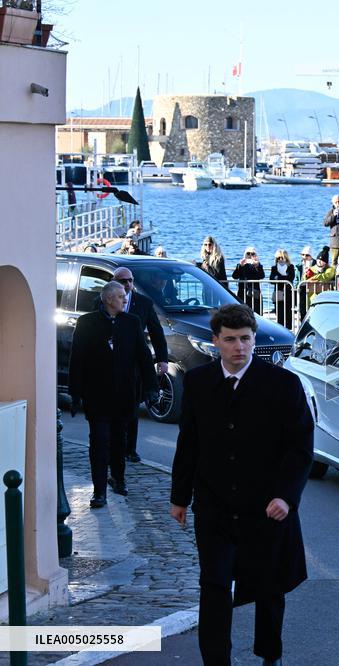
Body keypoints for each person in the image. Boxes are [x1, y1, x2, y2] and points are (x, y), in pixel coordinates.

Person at [170, 304, 313, 666]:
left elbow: (300, 448)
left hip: (266, 505)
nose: (239, 347)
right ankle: (216, 660)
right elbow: (189, 442)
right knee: (214, 584)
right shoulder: (199, 382)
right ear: (216, 341)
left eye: (245, 339)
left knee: (270, 585)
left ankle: (270, 655)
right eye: (230, 340)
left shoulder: (283, 385)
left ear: (253, 340)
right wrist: (179, 497)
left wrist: (286, 496)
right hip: (214, 505)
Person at [69, 281, 157, 508]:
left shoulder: (131, 322)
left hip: (124, 393)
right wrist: (75, 393)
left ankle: (118, 478)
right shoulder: (87, 323)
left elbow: (143, 356)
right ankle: (99, 492)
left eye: (125, 295)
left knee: (120, 440)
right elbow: (77, 359)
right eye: (120, 296)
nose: (125, 299)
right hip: (96, 394)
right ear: (108, 299)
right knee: (98, 442)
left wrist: (151, 387)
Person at [109, 267, 169, 464]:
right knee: (112, 408)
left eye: (130, 280)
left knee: (132, 407)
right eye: (123, 281)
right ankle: (114, 447)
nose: (127, 284)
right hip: (110, 364)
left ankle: (130, 449)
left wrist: (162, 359)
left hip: (133, 364)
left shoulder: (143, 303)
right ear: (114, 282)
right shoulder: (103, 301)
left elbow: (156, 332)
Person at [232, 246, 265, 314]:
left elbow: (262, 276)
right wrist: (240, 266)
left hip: (254, 293)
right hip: (242, 292)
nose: (250, 255)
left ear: (255, 255)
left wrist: (257, 266)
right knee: (242, 313)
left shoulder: (257, 265)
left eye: (252, 254)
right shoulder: (241, 264)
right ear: (245, 254)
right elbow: (234, 276)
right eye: (248, 253)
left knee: (256, 313)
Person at [269, 249, 295, 330]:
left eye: (282, 257)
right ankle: (280, 330)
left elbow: (290, 278)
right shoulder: (274, 268)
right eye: (278, 258)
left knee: (288, 313)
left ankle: (289, 331)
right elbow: (271, 280)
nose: (280, 259)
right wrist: (282, 278)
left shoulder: (291, 267)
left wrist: (278, 278)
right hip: (278, 293)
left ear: (286, 258)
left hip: (288, 293)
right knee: (279, 313)